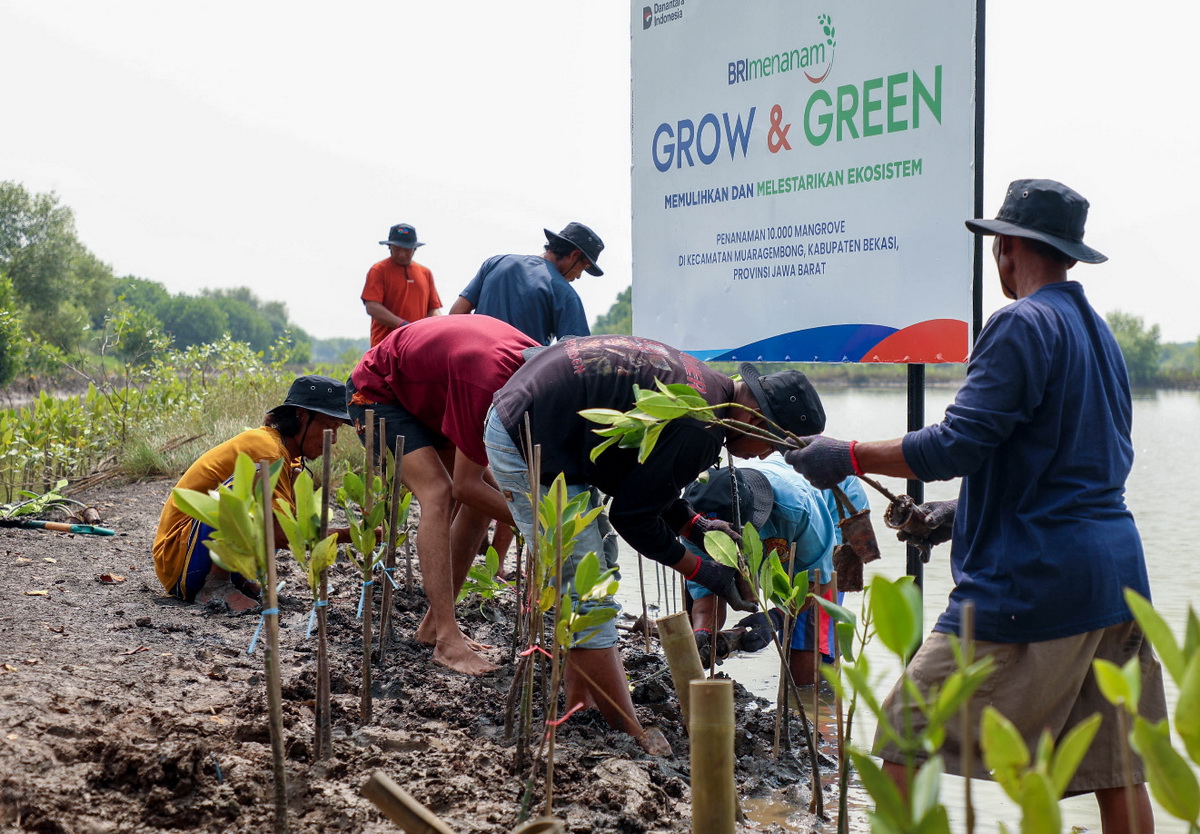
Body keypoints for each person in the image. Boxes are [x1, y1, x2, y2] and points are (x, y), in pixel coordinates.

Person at [784, 179, 1165, 833]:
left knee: (905, 733)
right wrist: (957, 515)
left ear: (1008, 247)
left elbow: (954, 445)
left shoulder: (1020, 322)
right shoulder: (1099, 336)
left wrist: (846, 454)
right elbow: (1076, 466)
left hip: (1032, 580)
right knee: (1117, 769)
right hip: (1118, 581)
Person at [485, 335, 826, 755]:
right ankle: (630, 731)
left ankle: (580, 701)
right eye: (771, 444)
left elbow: (642, 485)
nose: (762, 456)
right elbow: (633, 518)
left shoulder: (708, 391)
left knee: (598, 560)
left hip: (544, 421)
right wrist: (706, 571)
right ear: (755, 418)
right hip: (527, 438)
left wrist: (696, 526)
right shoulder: (701, 428)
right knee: (586, 592)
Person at [346, 314, 538, 676]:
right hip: (378, 391)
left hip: (433, 397)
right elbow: (464, 486)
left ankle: (433, 627)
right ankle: (448, 642)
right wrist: (540, 526)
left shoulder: (531, 367)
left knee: (480, 503)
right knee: (439, 493)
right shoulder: (488, 382)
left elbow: (479, 490)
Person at [152, 375, 353, 613]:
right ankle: (215, 584)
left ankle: (239, 578)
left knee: (291, 484)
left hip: (198, 554)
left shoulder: (287, 457)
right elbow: (278, 533)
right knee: (253, 487)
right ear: (301, 416)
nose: (333, 439)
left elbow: (287, 527)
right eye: (329, 426)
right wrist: (350, 534)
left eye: (337, 430)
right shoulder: (267, 452)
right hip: (180, 559)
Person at [682, 460, 869, 686]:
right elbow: (706, 597)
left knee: (805, 659)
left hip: (833, 503)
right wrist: (702, 632)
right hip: (782, 512)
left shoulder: (796, 509)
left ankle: (822, 697)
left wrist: (776, 619)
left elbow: (821, 581)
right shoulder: (695, 525)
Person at [448, 222, 603, 345]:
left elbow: (456, 313)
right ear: (574, 255)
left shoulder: (496, 263)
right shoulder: (565, 294)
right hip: (518, 374)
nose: (579, 276)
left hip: (471, 366)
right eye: (583, 267)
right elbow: (578, 356)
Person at [362, 223, 443, 347]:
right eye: (397, 249)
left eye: (406, 249)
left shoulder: (425, 273)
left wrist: (440, 326)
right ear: (389, 247)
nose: (401, 254)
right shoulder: (379, 270)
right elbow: (372, 306)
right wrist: (403, 325)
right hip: (385, 345)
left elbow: (433, 309)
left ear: (414, 249)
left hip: (416, 344)